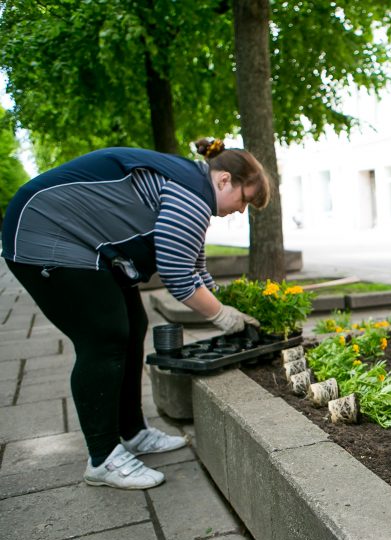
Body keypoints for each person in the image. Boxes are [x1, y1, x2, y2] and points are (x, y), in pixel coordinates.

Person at [2, 139, 269, 489]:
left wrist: (224, 302)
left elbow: (194, 266)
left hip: (81, 240)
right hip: (46, 233)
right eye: (244, 200)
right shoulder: (191, 193)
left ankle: (131, 432)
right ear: (223, 181)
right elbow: (177, 275)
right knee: (105, 335)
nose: (241, 211)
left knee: (134, 323)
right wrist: (223, 317)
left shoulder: (192, 187)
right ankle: (102, 458)